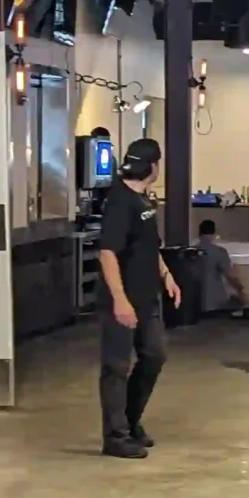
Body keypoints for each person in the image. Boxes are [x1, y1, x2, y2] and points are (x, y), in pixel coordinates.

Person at [96, 135, 180, 457]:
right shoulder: (120, 202)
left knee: (155, 354)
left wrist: (167, 275)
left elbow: (149, 246)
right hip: (123, 300)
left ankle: (130, 422)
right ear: (152, 166)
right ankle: (115, 437)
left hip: (147, 297)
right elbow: (107, 253)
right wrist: (120, 299)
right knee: (116, 367)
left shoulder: (144, 200)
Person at [190, 217, 249, 318]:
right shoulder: (219, 252)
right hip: (215, 305)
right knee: (238, 300)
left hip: (195, 304)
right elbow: (230, 276)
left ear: (199, 233)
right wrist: (242, 291)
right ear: (214, 233)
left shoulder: (191, 252)